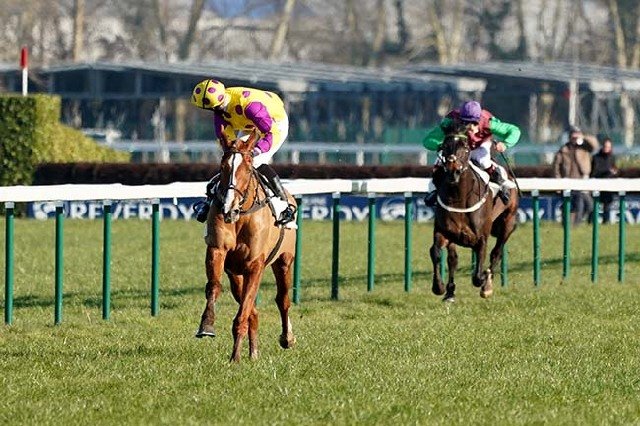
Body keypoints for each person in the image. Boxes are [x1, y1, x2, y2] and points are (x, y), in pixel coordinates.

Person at [190, 78, 296, 225]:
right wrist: (231, 153)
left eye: (214, 108)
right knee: (233, 161)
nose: (213, 112)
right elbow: (224, 136)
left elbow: (270, 133)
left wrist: (257, 150)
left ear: (219, 102)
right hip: (248, 124)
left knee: (255, 162)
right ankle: (209, 201)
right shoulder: (218, 108)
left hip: (273, 123)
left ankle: (285, 206)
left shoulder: (249, 105)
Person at [422, 100, 521, 206]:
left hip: (479, 145)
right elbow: (428, 140)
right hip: (458, 147)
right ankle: (433, 190)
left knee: (482, 160)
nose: (470, 127)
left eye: (474, 123)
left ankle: (501, 184)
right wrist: (440, 145)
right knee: (441, 159)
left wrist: (505, 144)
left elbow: (514, 131)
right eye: (465, 123)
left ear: (479, 119)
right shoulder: (450, 121)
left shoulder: (489, 122)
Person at [552, 125, 598, 225]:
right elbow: (556, 168)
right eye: (574, 134)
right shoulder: (563, 150)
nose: (575, 136)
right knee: (578, 204)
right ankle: (575, 225)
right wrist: (558, 182)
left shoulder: (584, 147)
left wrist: (583, 137)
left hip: (583, 180)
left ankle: (583, 223)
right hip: (568, 181)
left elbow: (595, 145)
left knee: (590, 205)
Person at [591, 136, 618, 223]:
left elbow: (614, 168)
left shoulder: (612, 157)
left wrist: (614, 172)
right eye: (605, 146)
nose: (607, 148)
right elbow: (594, 171)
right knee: (594, 206)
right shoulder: (596, 157)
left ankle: (605, 222)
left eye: (609, 147)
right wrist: (607, 171)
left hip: (608, 185)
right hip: (597, 184)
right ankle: (591, 221)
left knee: (607, 205)